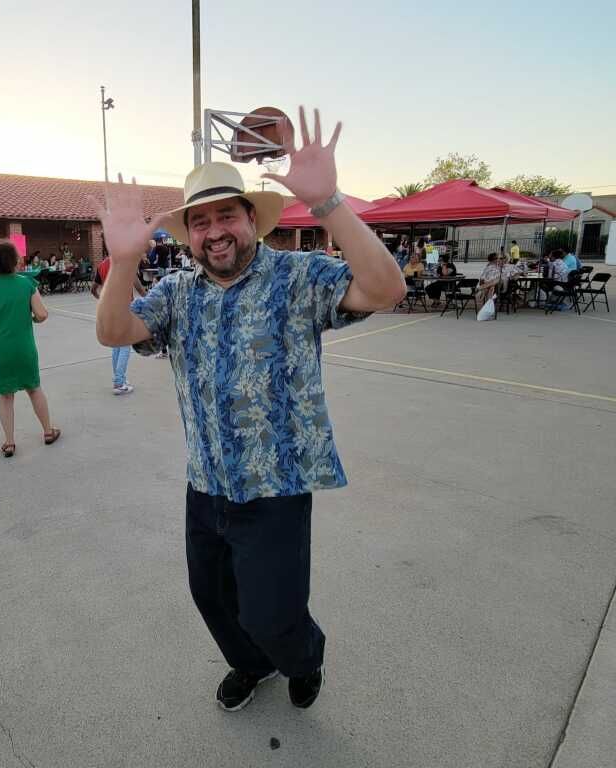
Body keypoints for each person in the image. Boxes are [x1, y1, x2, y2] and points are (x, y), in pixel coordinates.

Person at [91, 107, 405, 712]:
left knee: (273, 609)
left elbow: (386, 290)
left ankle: (302, 657)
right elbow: (114, 333)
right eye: (200, 221)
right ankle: (251, 664)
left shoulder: (296, 277)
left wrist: (329, 202)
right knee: (214, 599)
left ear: (249, 221)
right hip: (206, 483)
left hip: (276, 487)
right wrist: (124, 261)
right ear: (189, 234)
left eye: (226, 214)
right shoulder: (177, 293)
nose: (215, 231)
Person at [0, 240, 60, 456]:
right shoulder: (26, 284)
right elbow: (42, 314)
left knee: (6, 395)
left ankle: (9, 442)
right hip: (21, 346)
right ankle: (48, 431)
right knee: (33, 388)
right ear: (15, 261)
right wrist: (30, 319)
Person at [91, 254, 145, 395]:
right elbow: (137, 284)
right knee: (125, 346)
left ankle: (119, 378)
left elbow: (93, 289)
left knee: (116, 345)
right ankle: (119, 382)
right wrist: (147, 297)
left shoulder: (102, 265)